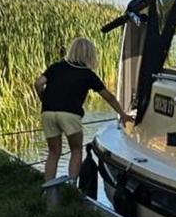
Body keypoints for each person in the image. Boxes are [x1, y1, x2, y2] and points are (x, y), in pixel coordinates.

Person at [34, 37, 132, 182]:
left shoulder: (56, 67)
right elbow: (109, 97)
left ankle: (48, 187)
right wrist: (122, 114)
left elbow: (38, 83)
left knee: (53, 152)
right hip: (70, 115)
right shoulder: (88, 74)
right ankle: (72, 186)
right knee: (76, 150)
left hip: (47, 113)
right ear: (90, 55)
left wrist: (44, 99)